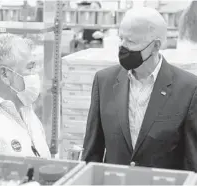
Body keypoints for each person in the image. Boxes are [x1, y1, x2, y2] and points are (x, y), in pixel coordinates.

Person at [82, 7, 197, 171]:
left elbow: (192, 161)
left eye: (131, 42)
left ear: (156, 46)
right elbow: (92, 150)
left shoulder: (188, 88)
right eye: (121, 39)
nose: (122, 47)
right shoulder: (104, 81)